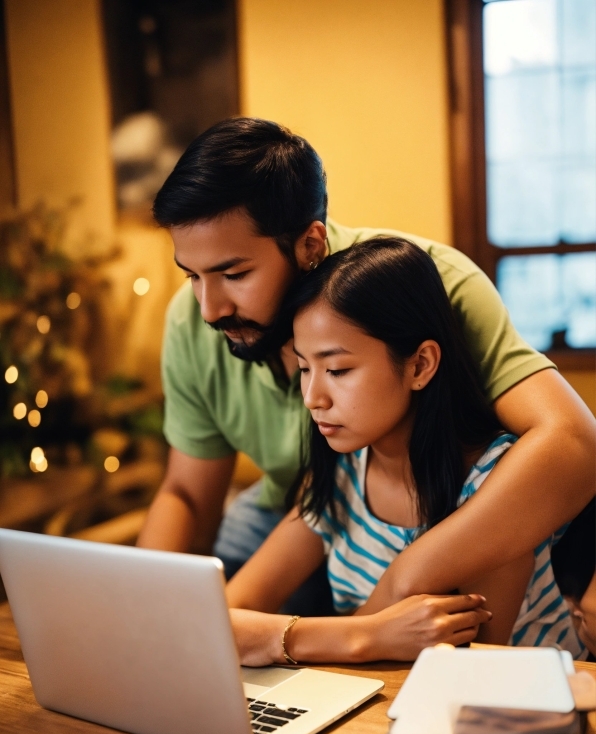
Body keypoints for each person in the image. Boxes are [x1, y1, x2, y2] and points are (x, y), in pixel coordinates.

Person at [137, 117, 595, 615]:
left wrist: (405, 578)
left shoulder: (431, 285)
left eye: (235, 273)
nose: (209, 308)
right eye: (193, 277)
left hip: (430, 508)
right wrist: (148, 614)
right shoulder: (192, 321)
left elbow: (574, 444)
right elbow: (187, 492)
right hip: (302, 508)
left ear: (310, 245)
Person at [226, 238, 584, 664]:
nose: (313, 396)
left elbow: (460, 680)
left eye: (338, 370)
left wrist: (331, 637)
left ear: (420, 365)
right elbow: (225, 615)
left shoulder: (494, 491)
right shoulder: (343, 471)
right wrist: (367, 634)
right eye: (305, 368)